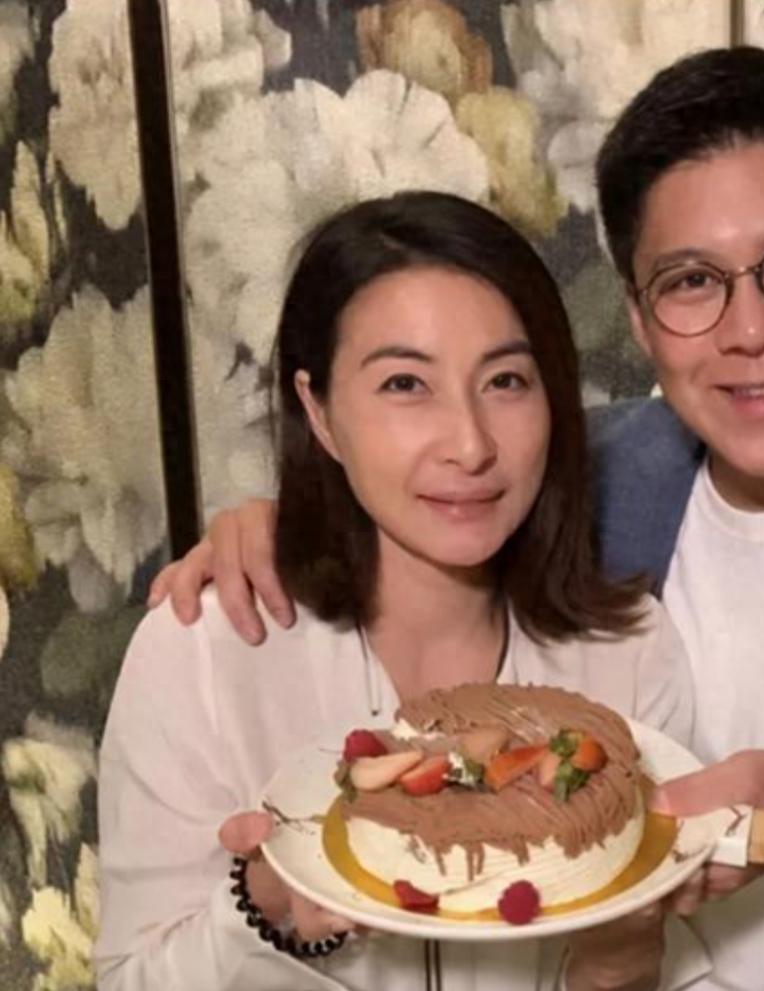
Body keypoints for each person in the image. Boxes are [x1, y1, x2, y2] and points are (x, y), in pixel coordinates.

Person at [150, 48, 764, 990]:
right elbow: (423, 473)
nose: (751, 330)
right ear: (638, 317)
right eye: (692, 281)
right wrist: (278, 523)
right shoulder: (585, 469)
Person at [95, 192, 702, 991]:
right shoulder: (207, 649)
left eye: (507, 380)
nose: (470, 444)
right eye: (405, 384)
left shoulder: (630, 651)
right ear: (318, 411)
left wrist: (619, 962)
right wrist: (266, 901)